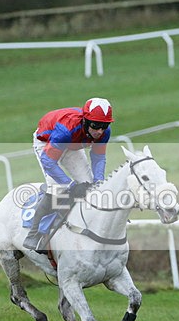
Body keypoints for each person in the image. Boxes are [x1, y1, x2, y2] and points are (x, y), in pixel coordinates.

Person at [23, 97, 114, 251]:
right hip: (47, 144)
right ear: (85, 121)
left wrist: (99, 181)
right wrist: (70, 185)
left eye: (104, 126)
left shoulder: (104, 133)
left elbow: (98, 157)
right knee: (58, 190)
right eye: (95, 125)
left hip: (71, 145)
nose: (100, 131)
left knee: (90, 187)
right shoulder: (66, 129)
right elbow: (48, 161)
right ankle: (34, 233)